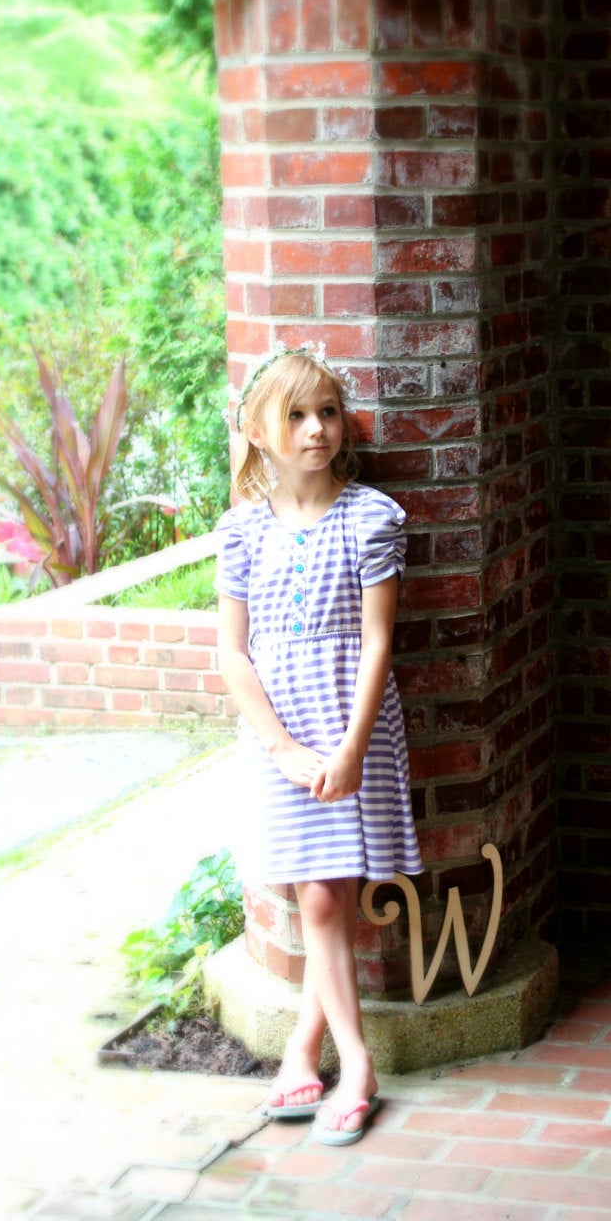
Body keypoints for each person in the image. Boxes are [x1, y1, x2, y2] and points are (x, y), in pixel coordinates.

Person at [215, 345, 422, 1147]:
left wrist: (350, 748)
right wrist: (281, 749)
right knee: (319, 896)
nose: (316, 429)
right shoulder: (241, 532)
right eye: (296, 415)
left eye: (328, 412)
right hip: (279, 737)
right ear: (259, 432)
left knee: (327, 898)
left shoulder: (369, 518)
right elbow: (233, 656)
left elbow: (378, 644)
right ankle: (324, 1053)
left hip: (347, 723)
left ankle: (345, 1064)